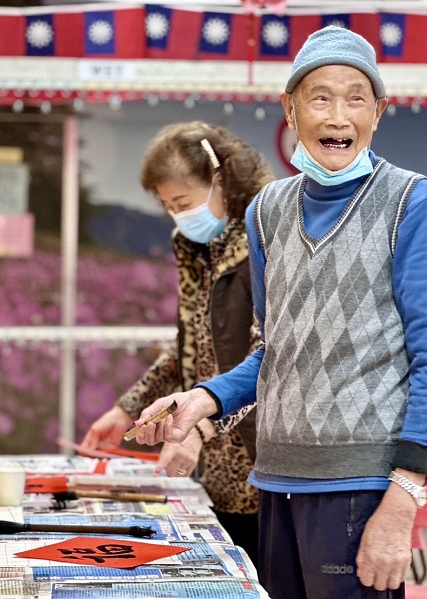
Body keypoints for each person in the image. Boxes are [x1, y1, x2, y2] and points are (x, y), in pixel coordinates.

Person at [130, 26, 427, 599]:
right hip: (275, 481)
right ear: (290, 108)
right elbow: (275, 350)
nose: (338, 116)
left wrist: (404, 497)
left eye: (356, 98)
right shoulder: (266, 213)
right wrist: (203, 399)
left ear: (378, 112)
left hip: (360, 486)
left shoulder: (414, 203)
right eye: (320, 97)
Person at [81, 121, 274, 566]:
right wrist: (127, 408)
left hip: (263, 464)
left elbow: (273, 363)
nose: (179, 217)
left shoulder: (266, 245)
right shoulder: (196, 250)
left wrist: (199, 424)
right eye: (168, 207)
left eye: (184, 203)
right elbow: (188, 350)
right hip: (210, 465)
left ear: (222, 181)